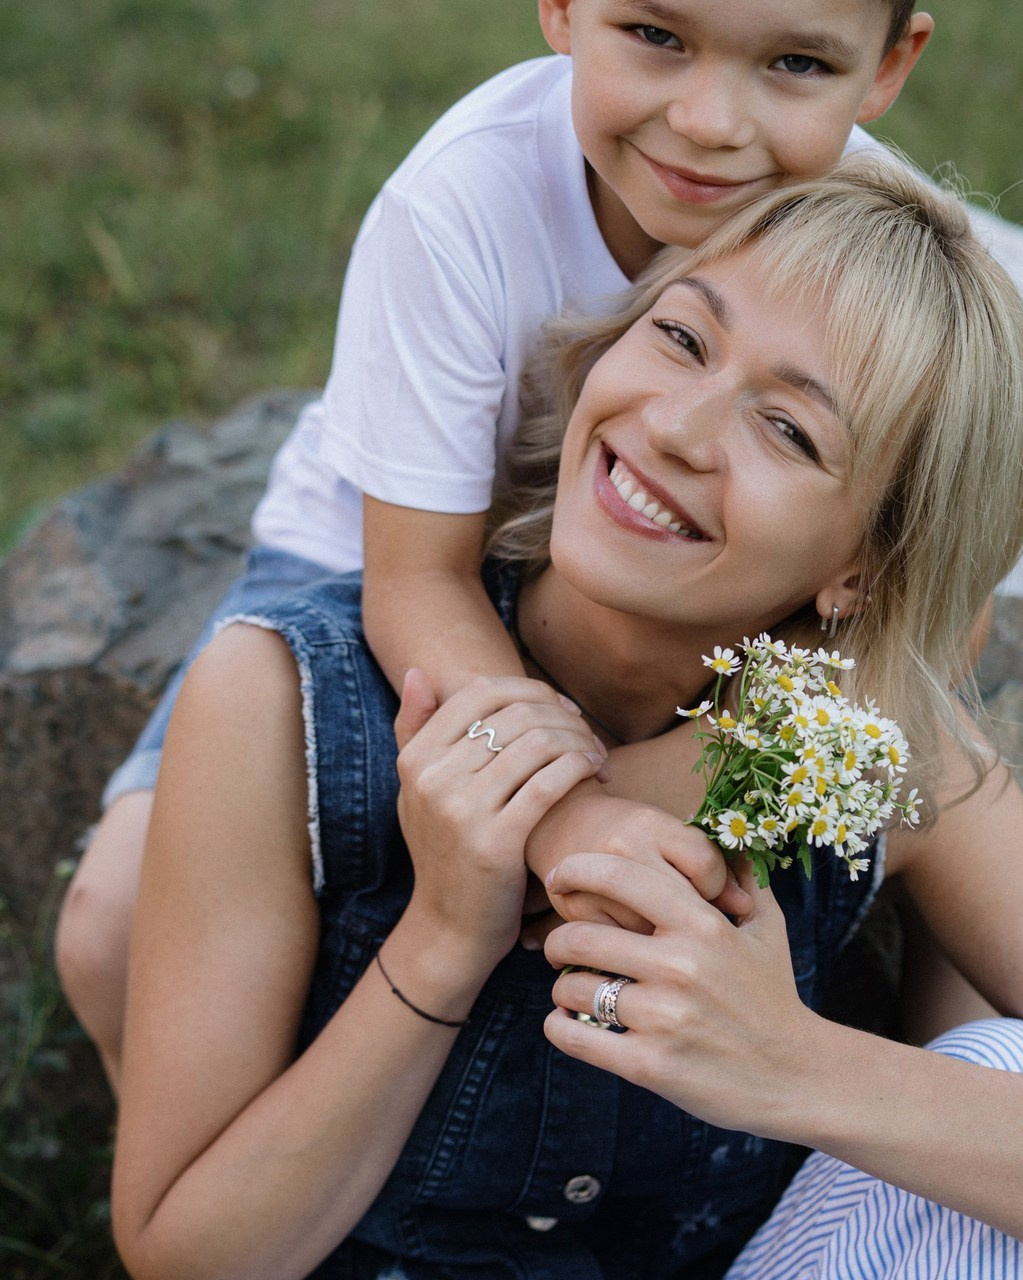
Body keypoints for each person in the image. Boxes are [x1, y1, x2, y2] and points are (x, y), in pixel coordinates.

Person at [111, 157, 1023, 1279]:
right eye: (679, 337)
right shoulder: (287, 701)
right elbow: (185, 1254)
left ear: (861, 570)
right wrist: (444, 939)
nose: (674, 426)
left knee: (1020, 1069)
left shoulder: (853, 756)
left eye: (788, 429)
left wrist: (789, 1063)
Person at [55, 0, 934, 1089]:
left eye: (796, 62)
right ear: (562, 8)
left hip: (667, 584)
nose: (710, 122)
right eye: (657, 35)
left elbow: (942, 609)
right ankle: (219, 1131)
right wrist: (565, 819)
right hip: (389, 560)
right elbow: (415, 580)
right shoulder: (462, 198)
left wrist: (664, 786)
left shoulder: (877, 237)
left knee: (922, 814)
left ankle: (957, 1111)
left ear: (887, 64)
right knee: (108, 926)